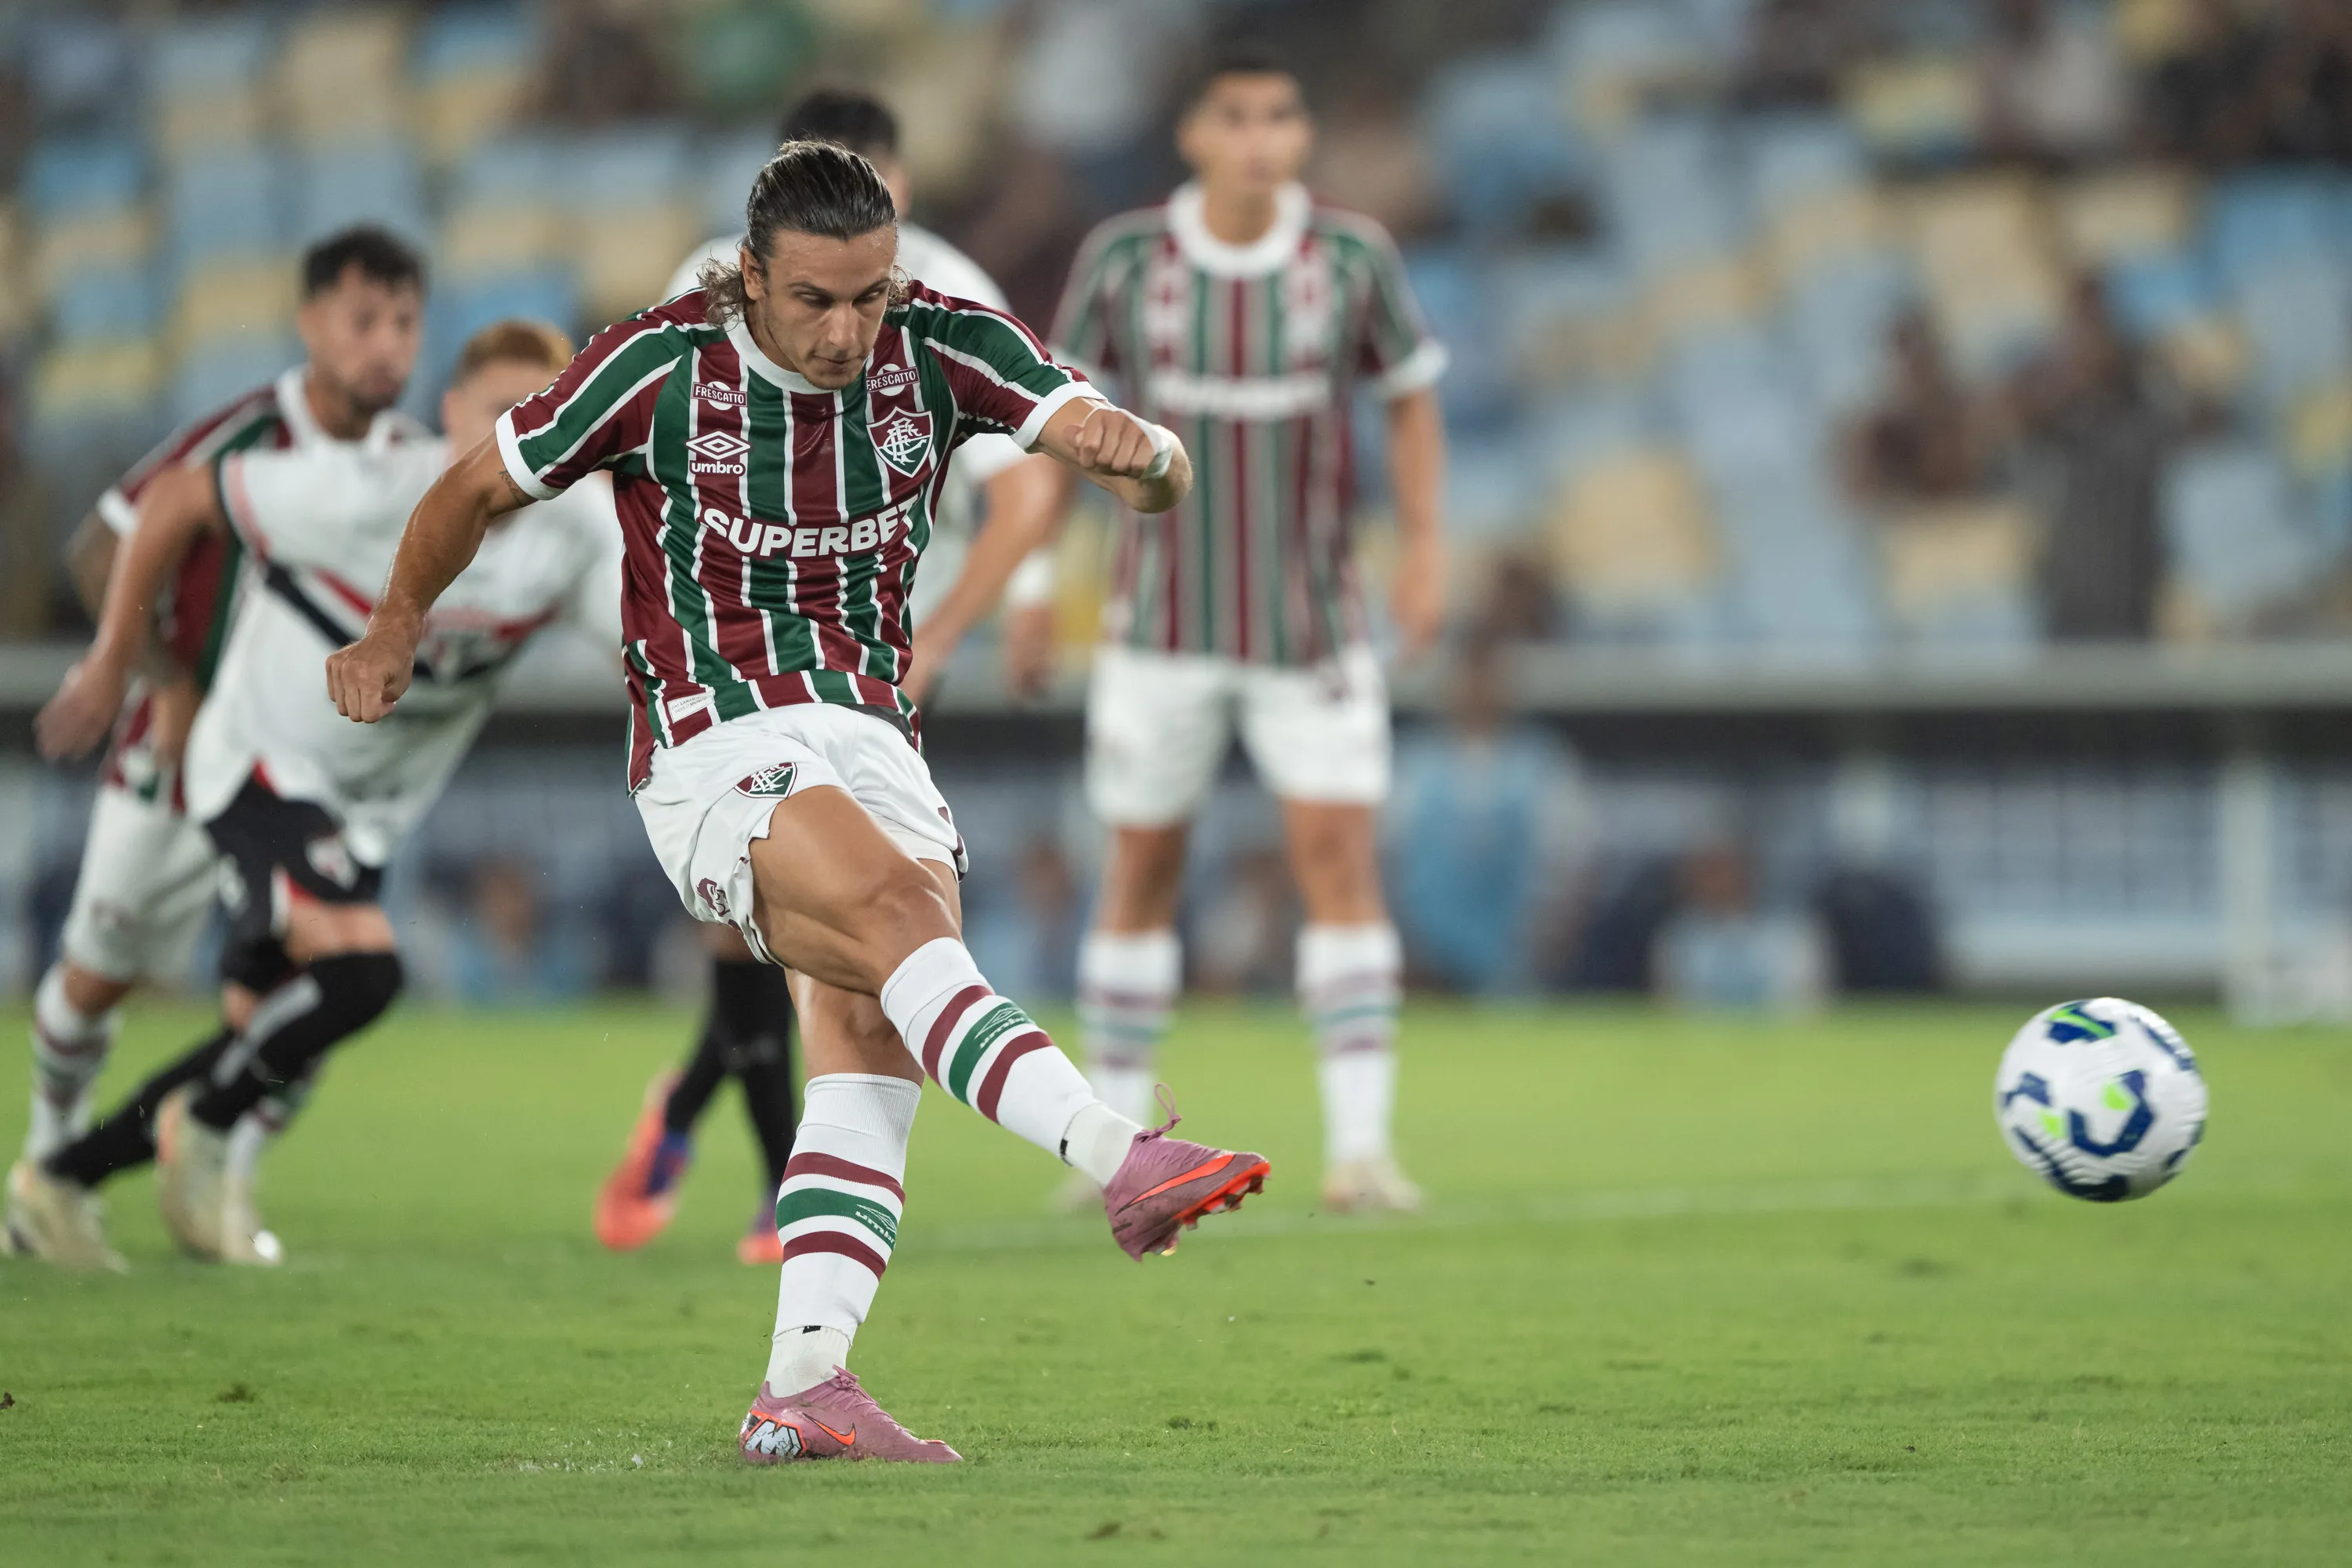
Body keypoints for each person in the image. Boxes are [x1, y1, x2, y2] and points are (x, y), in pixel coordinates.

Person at [323, 140, 1270, 1465]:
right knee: (898, 922)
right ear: (752, 278)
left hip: (875, 732)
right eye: (816, 300)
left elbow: (1124, 452)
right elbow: (477, 482)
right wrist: (392, 626)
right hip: (714, 735)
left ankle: (805, 1381)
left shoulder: (939, 344)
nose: (847, 329)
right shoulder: (656, 365)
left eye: (869, 297)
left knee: (874, 1033)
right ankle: (1121, 1156)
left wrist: (1147, 459)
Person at [13, 320, 618, 1270]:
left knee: (273, 1033)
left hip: (364, 813)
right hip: (260, 764)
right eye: (499, 411)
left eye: (542, 413)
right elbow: (180, 495)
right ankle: (196, 1135)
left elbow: (655, 640)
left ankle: (67, 1178)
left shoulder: (576, 534)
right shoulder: (370, 490)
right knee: (360, 974)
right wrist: (126, 662)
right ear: (451, 414)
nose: (520, 432)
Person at [597, 89, 1068, 1269]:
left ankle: (744, 1158)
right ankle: (776, 1180)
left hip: (880, 652)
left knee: (843, 942)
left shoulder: (948, 293)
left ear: (900, 189)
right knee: (772, 935)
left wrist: (972, 622)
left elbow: (1028, 477)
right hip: (733, 659)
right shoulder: (705, 286)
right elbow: (651, 446)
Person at [1040, 47, 1448, 1214]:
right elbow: (1055, 419)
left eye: (1281, 116)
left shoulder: (1352, 258)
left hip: (1310, 622)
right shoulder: (1124, 260)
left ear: (1303, 135)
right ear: (1194, 134)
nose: (1261, 138)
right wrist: (1030, 590)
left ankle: (1363, 1155)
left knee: (1339, 862)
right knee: (1141, 869)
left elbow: (1411, 399)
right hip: (1156, 623)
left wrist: (1424, 549)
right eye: (1238, 117)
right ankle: (1111, 1154)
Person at [8, 227, 429, 1261]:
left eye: (406, 323)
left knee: (314, 979)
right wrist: (148, 673)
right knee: (99, 974)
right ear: (310, 323)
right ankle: (48, 1171)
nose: (386, 346)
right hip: (177, 754)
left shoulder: (413, 465)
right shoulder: (243, 436)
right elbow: (104, 545)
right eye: (363, 320)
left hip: (299, 773)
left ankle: (221, 1192)